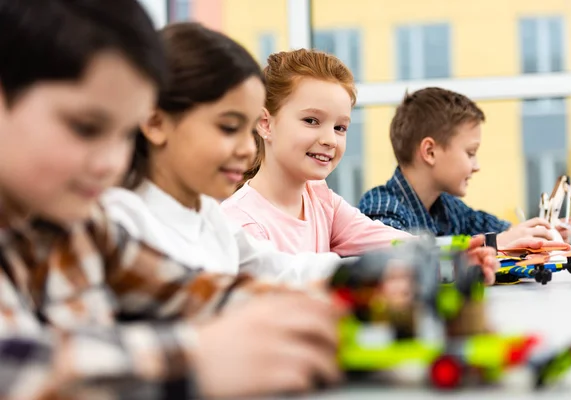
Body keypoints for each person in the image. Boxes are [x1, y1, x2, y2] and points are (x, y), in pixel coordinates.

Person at [0, 2, 347, 398]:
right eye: (86, 127)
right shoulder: (116, 210)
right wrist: (198, 356)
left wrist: (326, 311)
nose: (111, 163)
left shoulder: (78, 226)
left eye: (124, 135)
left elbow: (188, 289)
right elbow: (15, 369)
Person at [101, 23, 347, 284]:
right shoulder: (123, 224)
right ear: (155, 124)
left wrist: (362, 272)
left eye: (250, 130)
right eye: (229, 127)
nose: (249, 149)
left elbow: (279, 267)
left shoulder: (207, 214)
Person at [220, 49, 415, 257]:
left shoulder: (320, 199)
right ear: (265, 124)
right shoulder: (240, 224)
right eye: (311, 121)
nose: (330, 140)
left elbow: (393, 242)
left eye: (340, 127)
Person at [357, 87, 571, 248]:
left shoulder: (449, 208)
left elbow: (506, 232)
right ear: (430, 152)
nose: (477, 166)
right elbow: (402, 263)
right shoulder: (381, 207)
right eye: (470, 153)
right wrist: (494, 244)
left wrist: (540, 233)